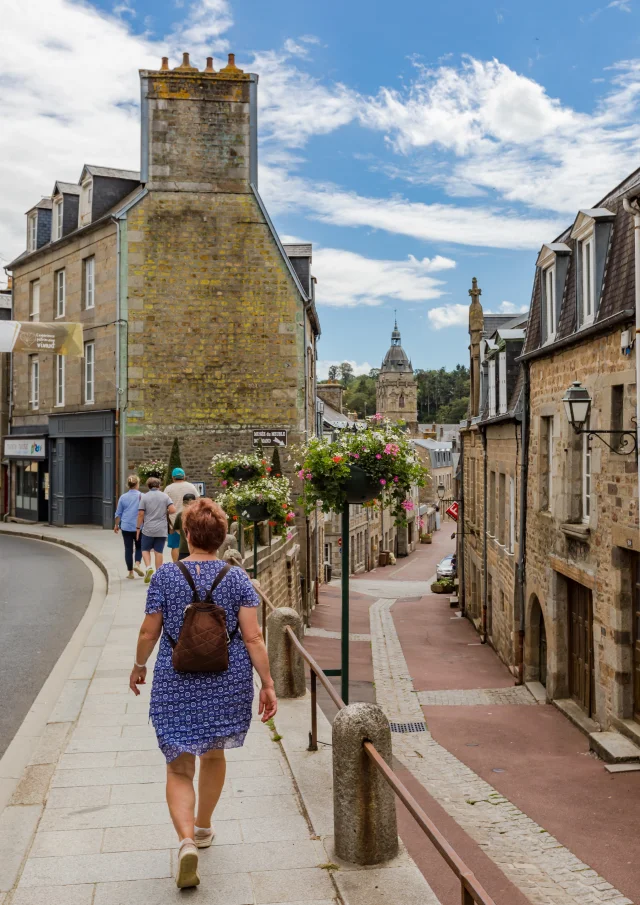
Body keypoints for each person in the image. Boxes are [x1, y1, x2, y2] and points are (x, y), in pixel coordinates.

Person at [129, 497, 277, 889]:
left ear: (188, 534)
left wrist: (139, 665)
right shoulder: (237, 579)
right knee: (214, 755)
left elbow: (149, 631)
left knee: (179, 766)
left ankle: (184, 842)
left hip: (175, 681)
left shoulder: (165, 577)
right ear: (221, 536)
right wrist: (268, 683)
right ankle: (204, 826)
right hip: (226, 681)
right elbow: (254, 636)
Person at [137, 477, 176, 583]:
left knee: (145, 549)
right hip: (161, 528)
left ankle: (148, 567)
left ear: (148, 486)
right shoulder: (165, 496)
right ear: (159, 486)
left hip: (148, 528)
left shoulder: (144, 497)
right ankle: (158, 575)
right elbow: (173, 510)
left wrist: (137, 528)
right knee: (159, 551)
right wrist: (165, 511)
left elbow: (141, 514)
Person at [164, 468, 200, 563]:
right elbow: (198, 500)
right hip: (190, 519)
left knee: (175, 545)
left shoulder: (168, 488)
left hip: (173, 520)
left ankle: (177, 565)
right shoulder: (191, 487)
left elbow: (164, 505)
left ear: (173, 477)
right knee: (191, 543)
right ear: (184, 476)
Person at [114, 475, 144, 579]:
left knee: (128, 549)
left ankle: (130, 572)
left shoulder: (123, 497)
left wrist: (116, 525)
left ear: (128, 485)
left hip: (126, 526)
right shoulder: (142, 496)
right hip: (138, 527)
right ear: (137, 484)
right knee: (139, 546)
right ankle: (137, 564)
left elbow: (118, 513)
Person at [172, 492, 196, 561]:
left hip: (184, 547)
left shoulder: (180, 515)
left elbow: (177, 529)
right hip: (196, 548)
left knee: (182, 568)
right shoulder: (199, 515)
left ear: (183, 504)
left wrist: (184, 535)